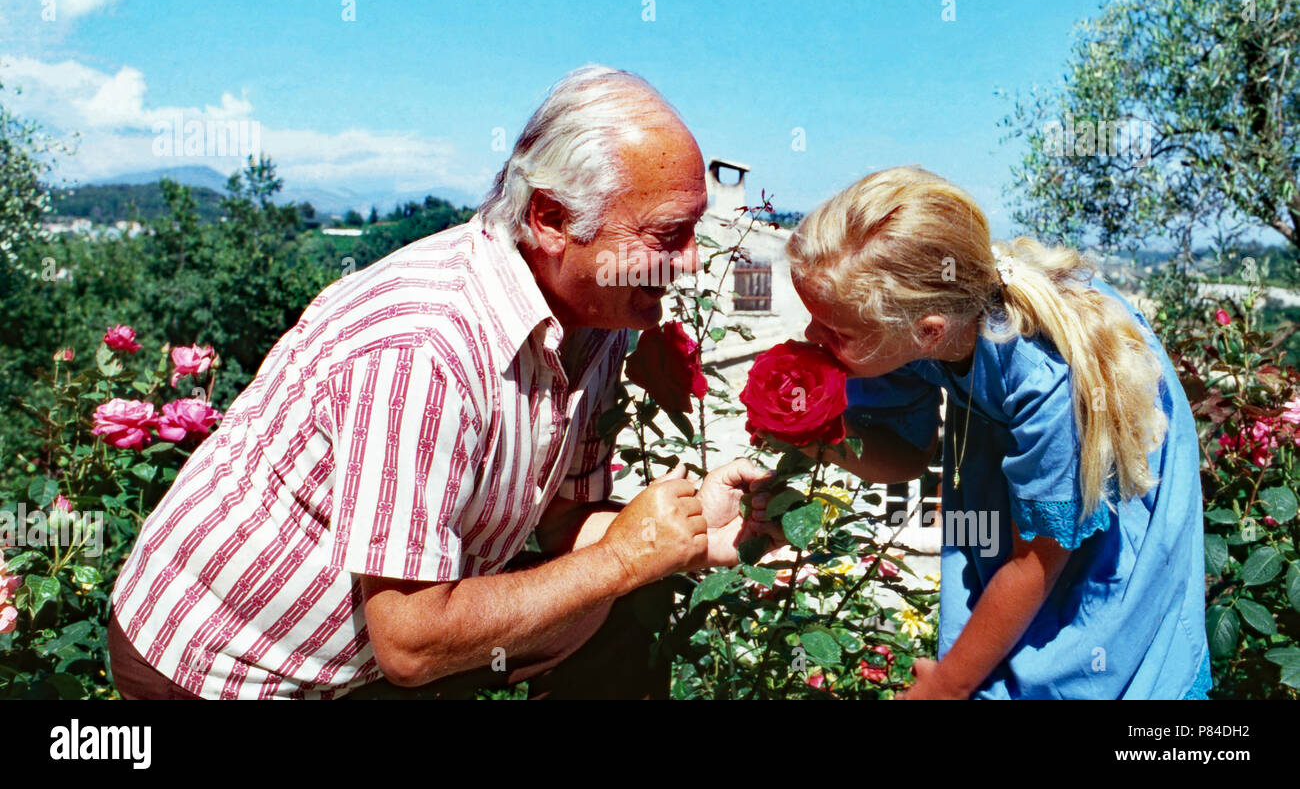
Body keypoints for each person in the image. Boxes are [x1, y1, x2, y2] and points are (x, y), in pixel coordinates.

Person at [107, 65, 773, 699]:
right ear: (551, 220)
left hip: (363, 659)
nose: (689, 263)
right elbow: (411, 641)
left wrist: (691, 537)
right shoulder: (428, 344)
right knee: (606, 594)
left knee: (607, 615)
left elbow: (564, 520)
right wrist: (622, 560)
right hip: (222, 671)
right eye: (667, 234)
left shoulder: (595, 320)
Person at [784, 165, 1210, 699]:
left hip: (1091, 505)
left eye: (834, 331)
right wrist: (817, 433)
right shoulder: (912, 322)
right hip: (1012, 495)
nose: (809, 335)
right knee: (996, 633)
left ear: (928, 331)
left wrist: (946, 686)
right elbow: (908, 456)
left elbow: (1036, 562)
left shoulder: (1046, 375)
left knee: (1086, 661)